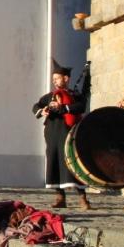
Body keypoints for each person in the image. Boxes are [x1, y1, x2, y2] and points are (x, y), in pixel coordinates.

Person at [32, 59, 90, 210]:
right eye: (53, 79)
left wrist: (63, 107)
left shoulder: (74, 95)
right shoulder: (49, 97)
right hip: (52, 133)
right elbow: (36, 106)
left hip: (69, 133)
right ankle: (60, 197)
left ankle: (82, 198)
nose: (54, 81)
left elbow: (81, 106)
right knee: (54, 162)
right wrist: (42, 111)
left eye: (57, 78)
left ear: (66, 78)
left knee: (73, 163)